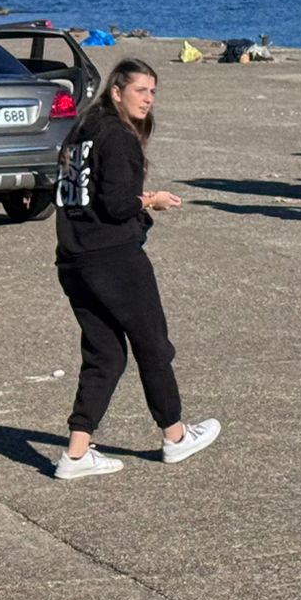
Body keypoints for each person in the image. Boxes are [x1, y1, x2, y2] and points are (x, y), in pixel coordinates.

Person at [52, 58, 220, 479]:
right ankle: (176, 436)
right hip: (113, 258)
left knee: (105, 353)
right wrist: (151, 200)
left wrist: (131, 195)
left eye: (153, 92)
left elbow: (83, 194)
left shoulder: (81, 131)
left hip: (74, 258)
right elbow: (117, 205)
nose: (148, 99)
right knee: (153, 345)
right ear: (116, 91)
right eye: (140, 90)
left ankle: (75, 454)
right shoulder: (118, 137)